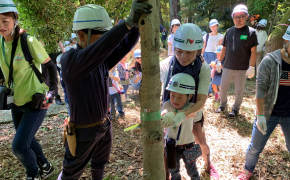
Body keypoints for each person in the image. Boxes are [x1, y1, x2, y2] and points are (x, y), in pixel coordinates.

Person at [57, 2, 152, 180]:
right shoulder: (70, 61)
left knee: (99, 162)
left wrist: (134, 26)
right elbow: (103, 47)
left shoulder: (100, 59)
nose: (104, 44)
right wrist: (125, 23)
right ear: (81, 35)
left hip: (103, 124)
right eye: (100, 38)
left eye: (105, 37)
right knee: (70, 173)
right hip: (83, 131)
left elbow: (122, 46)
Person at [0, 1, 57, 179]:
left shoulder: (28, 41)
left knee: (19, 146)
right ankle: (46, 167)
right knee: (27, 139)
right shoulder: (1, 44)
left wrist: (52, 93)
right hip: (16, 102)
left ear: (15, 19)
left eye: (5, 21)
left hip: (36, 101)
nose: (1, 26)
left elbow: (51, 66)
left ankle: (33, 174)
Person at [161, 23, 219, 179]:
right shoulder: (170, 64)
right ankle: (169, 174)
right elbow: (163, 90)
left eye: (189, 52)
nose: (183, 56)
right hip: (172, 108)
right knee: (168, 145)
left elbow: (201, 100)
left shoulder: (203, 68)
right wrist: (166, 112)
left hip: (193, 111)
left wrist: (184, 115)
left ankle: (207, 164)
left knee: (198, 140)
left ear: (198, 50)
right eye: (179, 51)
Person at [236, 25, 290, 180]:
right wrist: (260, 116)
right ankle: (248, 170)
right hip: (268, 113)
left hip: (289, 115)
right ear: (286, 41)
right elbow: (260, 90)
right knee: (255, 148)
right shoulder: (270, 61)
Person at [216, 4, 258, 117]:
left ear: (246, 17)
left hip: (242, 68)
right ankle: (223, 105)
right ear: (233, 18)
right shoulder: (229, 31)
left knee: (239, 90)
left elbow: (254, 51)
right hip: (227, 66)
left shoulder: (251, 32)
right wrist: (219, 61)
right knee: (223, 87)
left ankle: (235, 109)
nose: (238, 19)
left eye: (241, 16)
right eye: (236, 17)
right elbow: (224, 48)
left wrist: (252, 67)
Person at [161, 73, 202, 180]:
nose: (175, 100)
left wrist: (185, 114)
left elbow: (198, 115)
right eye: (172, 95)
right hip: (172, 146)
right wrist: (164, 115)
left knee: (192, 171)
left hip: (188, 146)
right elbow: (163, 112)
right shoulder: (167, 105)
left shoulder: (192, 107)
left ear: (190, 96)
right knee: (173, 171)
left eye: (180, 97)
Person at [201, 19, 224, 97]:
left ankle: (218, 90)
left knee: (216, 72)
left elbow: (221, 47)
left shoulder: (220, 35)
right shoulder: (206, 36)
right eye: (212, 26)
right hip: (207, 54)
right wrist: (201, 54)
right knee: (207, 72)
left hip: (216, 55)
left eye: (215, 26)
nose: (213, 28)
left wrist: (220, 58)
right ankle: (209, 90)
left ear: (217, 26)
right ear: (210, 27)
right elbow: (204, 46)